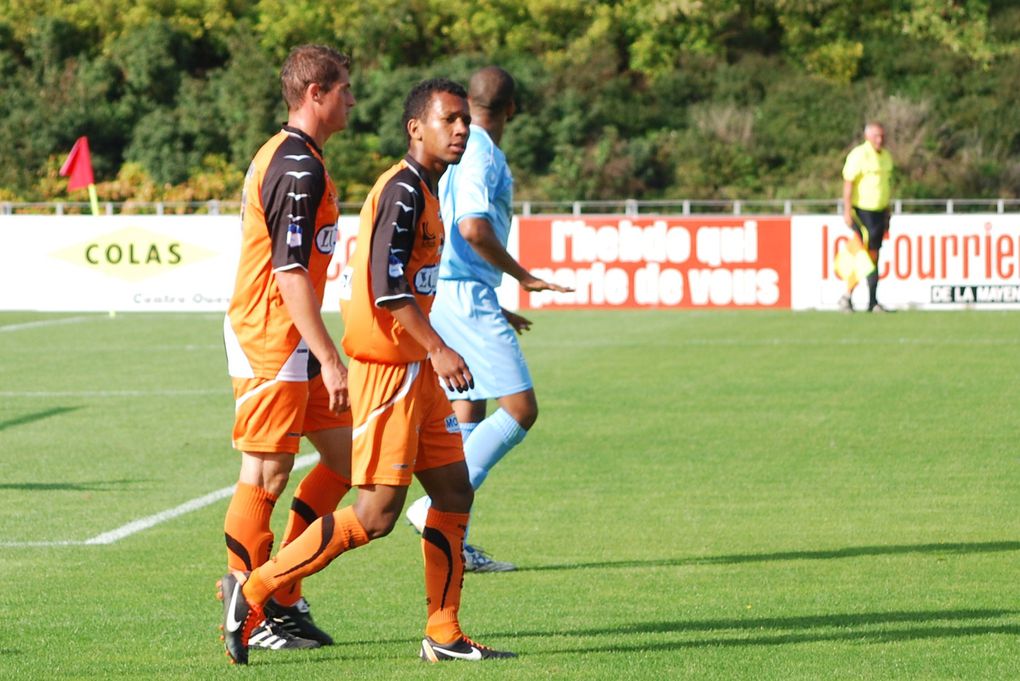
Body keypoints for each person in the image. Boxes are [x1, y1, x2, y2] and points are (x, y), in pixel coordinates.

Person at [219, 77, 516, 665]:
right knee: (377, 514)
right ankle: (253, 591)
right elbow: (386, 289)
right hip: (390, 373)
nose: (461, 129)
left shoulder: (429, 188)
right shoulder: (403, 191)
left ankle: (444, 633)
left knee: (454, 491)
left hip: (419, 373)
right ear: (417, 128)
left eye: (465, 120)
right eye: (449, 119)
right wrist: (437, 348)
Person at [218, 44, 357, 654]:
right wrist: (330, 356)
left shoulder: (295, 157)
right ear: (316, 93)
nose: (352, 99)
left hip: (290, 336)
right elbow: (290, 272)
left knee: (353, 459)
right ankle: (250, 605)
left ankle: (282, 590)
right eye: (345, 88)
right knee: (267, 472)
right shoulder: (297, 167)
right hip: (272, 336)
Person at [404, 66, 571, 572]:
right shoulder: (479, 148)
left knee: (468, 413)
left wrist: (492, 301)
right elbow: (472, 227)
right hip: (462, 296)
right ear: (512, 110)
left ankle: (455, 540)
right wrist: (524, 276)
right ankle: (432, 509)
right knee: (520, 410)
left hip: (451, 290)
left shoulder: (454, 145)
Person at [839, 121, 894, 313]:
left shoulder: (886, 157)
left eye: (882, 136)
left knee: (873, 255)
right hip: (862, 211)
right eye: (876, 136)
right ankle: (847, 295)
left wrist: (887, 211)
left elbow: (885, 186)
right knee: (864, 255)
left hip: (879, 213)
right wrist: (847, 210)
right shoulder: (859, 155)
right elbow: (848, 183)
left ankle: (872, 301)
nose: (880, 140)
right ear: (867, 137)